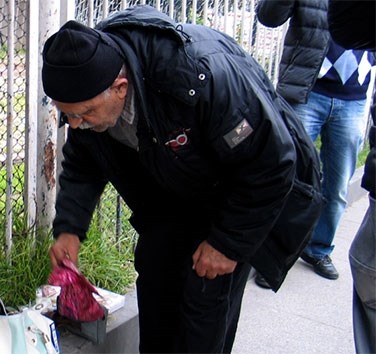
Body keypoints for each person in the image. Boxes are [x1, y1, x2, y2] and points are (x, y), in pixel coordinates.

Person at [42, 5, 307, 353]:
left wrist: (228, 244)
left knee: (202, 321)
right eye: (68, 116)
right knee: (156, 302)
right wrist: (69, 228)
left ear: (120, 87)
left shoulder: (197, 78)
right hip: (168, 204)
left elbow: (271, 163)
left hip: (228, 205)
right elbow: (83, 162)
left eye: (85, 114)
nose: (77, 125)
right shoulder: (91, 90)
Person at [255, 0, 373, 286]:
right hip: (306, 94)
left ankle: (319, 249)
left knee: (337, 185)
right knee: (287, 178)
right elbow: (268, 17)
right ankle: (273, 256)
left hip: (353, 99)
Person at [328, 1, 376, 352]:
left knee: (369, 270)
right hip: (312, 91)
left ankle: (318, 248)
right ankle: (280, 255)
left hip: (352, 97)